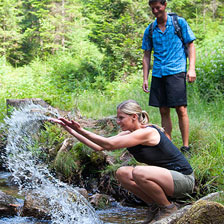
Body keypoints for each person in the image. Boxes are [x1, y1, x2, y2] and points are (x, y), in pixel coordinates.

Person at [50, 99, 195, 223]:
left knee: (139, 171)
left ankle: (168, 208)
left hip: (183, 180)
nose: (118, 122)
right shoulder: (128, 133)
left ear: (133, 117)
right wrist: (70, 129)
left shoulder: (147, 132)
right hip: (165, 179)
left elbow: (109, 145)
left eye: (121, 118)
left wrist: (82, 130)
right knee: (122, 172)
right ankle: (155, 206)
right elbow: (99, 147)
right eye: (117, 118)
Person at [142, 0, 196, 152]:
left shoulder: (179, 23)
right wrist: (145, 78)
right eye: (152, 8)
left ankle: (185, 146)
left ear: (164, 5)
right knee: (163, 110)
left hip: (177, 71)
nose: (155, 11)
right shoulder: (150, 29)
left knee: (181, 109)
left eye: (158, 7)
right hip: (158, 73)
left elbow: (191, 45)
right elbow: (146, 55)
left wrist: (191, 69)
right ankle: (168, 145)